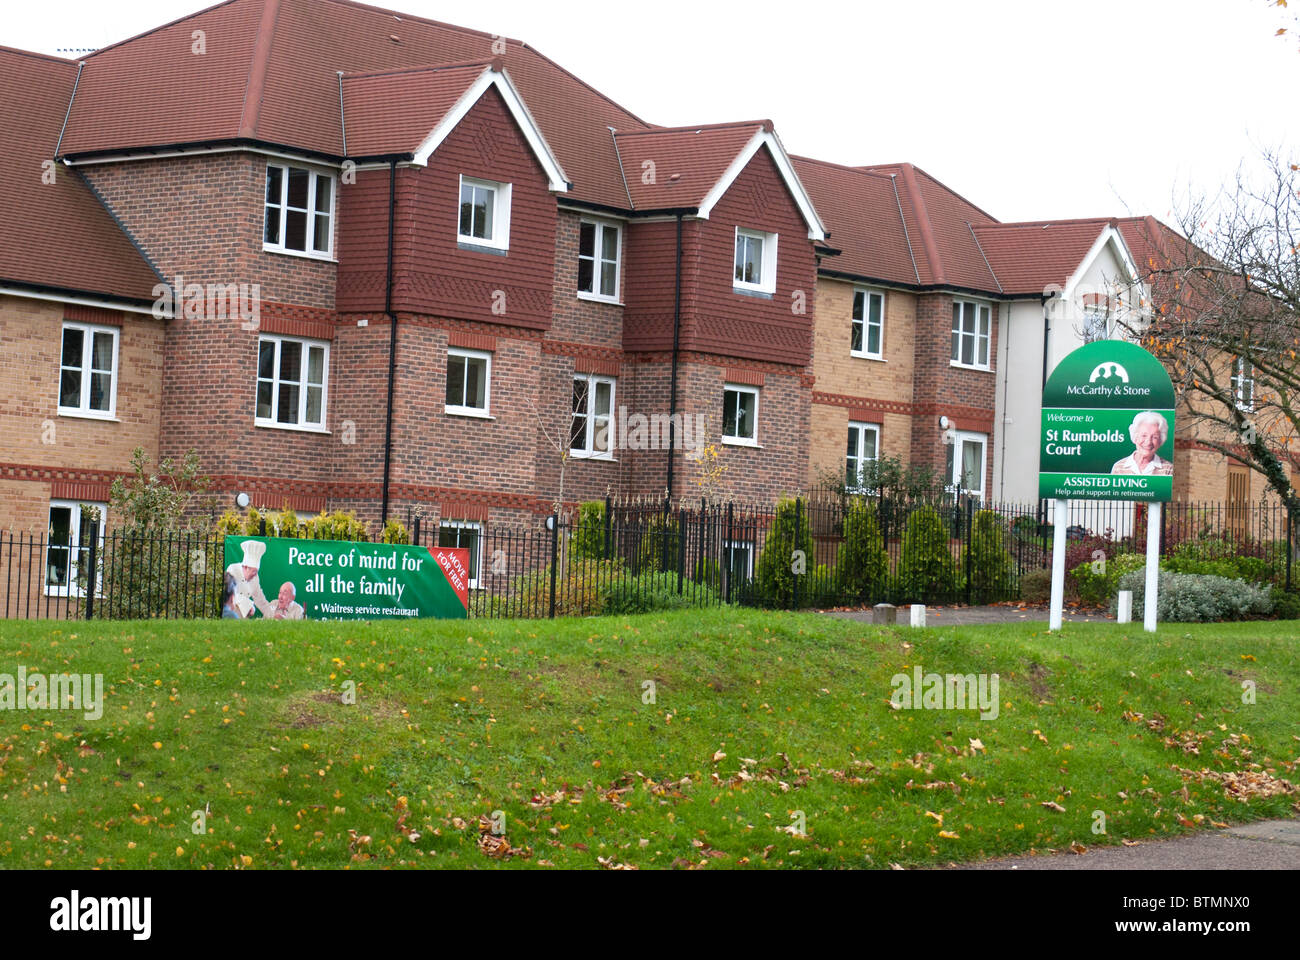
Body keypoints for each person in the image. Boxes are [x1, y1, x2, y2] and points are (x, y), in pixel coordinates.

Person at [1111, 411, 1173, 476]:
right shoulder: (1118, 468)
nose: (1148, 442)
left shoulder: (1168, 469)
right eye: (1144, 435)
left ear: (1160, 441)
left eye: (1155, 437)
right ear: (1135, 437)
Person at [224, 539, 272, 618]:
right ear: (245, 567)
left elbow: (260, 599)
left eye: (256, 571)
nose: (255, 574)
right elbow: (231, 593)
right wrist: (248, 605)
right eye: (253, 571)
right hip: (229, 615)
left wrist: (272, 615)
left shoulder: (255, 578)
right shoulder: (233, 570)